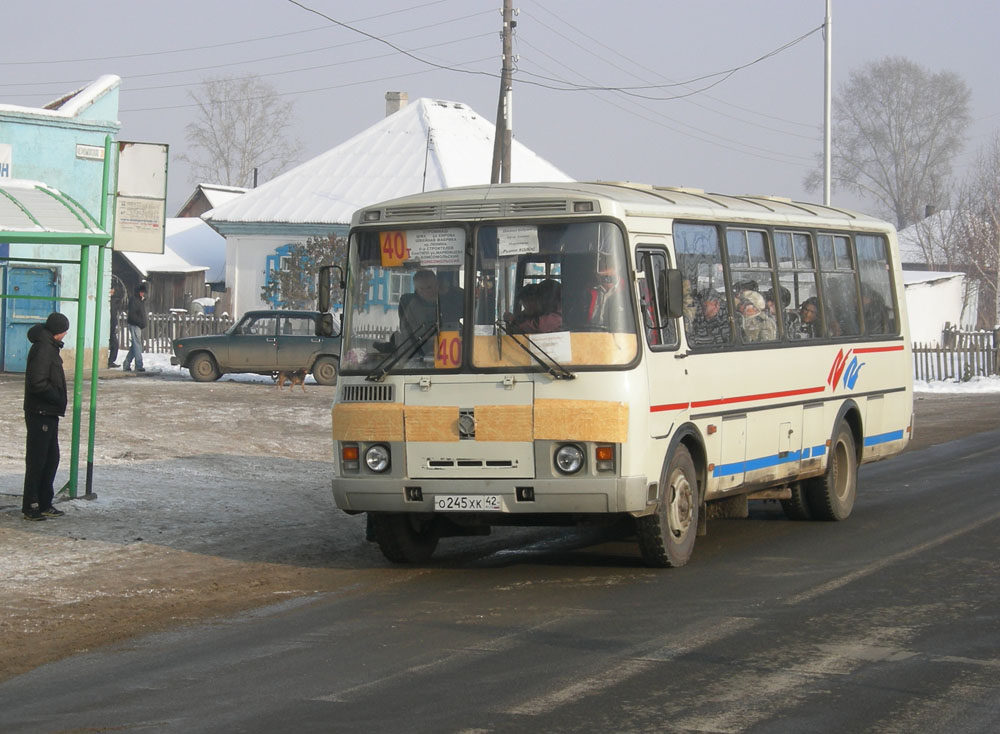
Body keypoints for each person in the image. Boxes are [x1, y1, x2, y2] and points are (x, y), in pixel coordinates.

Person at [22, 312, 70, 521]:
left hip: (48, 412)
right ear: (58, 331)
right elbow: (37, 382)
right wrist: (56, 397)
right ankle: (31, 505)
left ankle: (44, 502)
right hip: (40, 411)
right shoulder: (43, 348)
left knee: (51, 459)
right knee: (38, 460)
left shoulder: (49, 346)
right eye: (64, 330)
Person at [122, 284, 148, 372]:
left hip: (137, 325)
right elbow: (132, 315)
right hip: (134, 324)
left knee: (135, 346)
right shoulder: (134, 300)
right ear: (138, 292)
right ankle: (139, 365)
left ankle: (126, 363)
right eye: (141, 292)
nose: (142, 294)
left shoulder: (140, 301)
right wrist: (140, 322)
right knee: (137, 345)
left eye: (143, 292)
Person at [107, 283, 122, 368]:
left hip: (112, 324)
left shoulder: (113, 300)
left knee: (115, 344)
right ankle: (110, 361)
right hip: (109, 324)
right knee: (114, 344)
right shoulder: (109, 301)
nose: (112, 291)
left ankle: (111, 361)